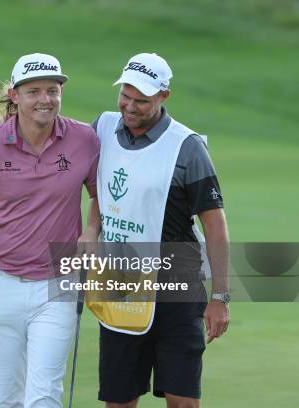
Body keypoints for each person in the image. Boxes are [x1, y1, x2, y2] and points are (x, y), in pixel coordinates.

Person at [0, 52, 100, 408]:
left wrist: (92, 228)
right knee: (5, 398)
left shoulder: (84, 139)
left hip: (59, 283)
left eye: (52, 90)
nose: (45, 99)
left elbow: (102, 194)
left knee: (44, 395)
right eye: (34, 92)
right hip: (0, 284)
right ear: (15, 95)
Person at [89, 53, 230, 408]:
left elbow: (214, 224)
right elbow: (96, 188)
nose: (130, 106)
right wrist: (92, 229)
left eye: (142, 100)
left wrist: (220, 298)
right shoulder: (101, 128)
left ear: (164, 96)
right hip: (121, 284)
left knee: (182, 400)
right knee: (119, 400)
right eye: (126, 95)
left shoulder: (188, 147)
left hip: (178, 288)